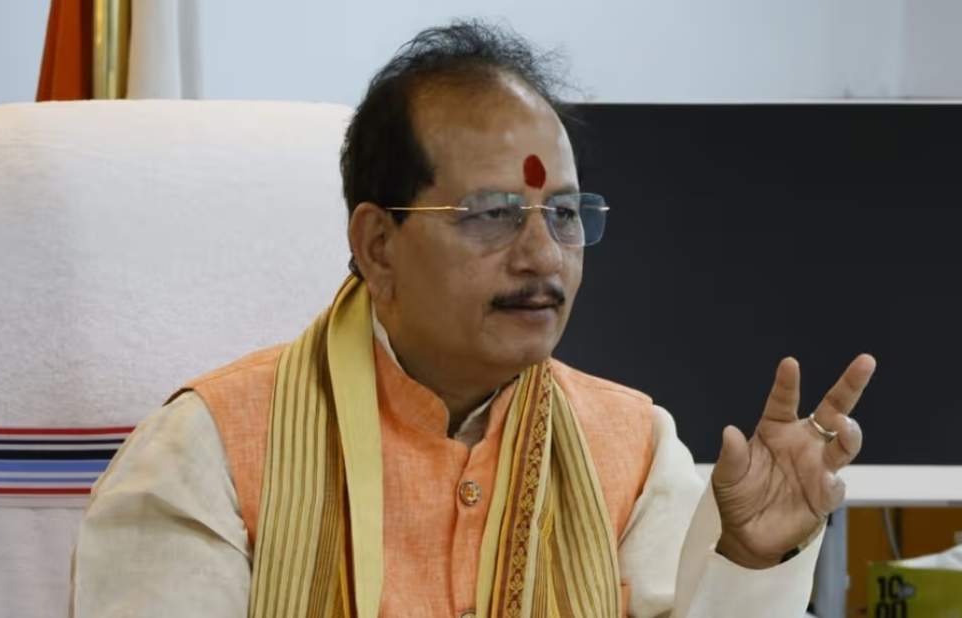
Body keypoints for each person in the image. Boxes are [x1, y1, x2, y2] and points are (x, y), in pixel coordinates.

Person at [69, 19, 876, 618]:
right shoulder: (208, 452)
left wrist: (750, 557)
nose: (543, 256)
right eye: (492, 214)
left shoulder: (633, 447)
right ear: (377, 245)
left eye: (564, 214)